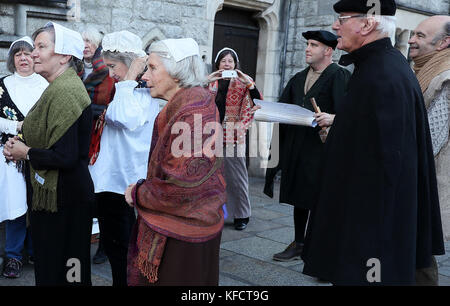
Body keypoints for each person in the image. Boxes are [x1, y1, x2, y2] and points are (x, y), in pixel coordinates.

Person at [301, 0, 445, 285]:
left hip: (369, 230)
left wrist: (368, 248)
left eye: (342, 19)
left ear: (367, 24)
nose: (334, 26)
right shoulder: (376, 67)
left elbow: (387, 168)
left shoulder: (383, 75)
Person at [124, 38, 226, 286]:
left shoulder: (194, 112)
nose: (145, 76)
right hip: (188, 226)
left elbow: (180, 188)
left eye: (153, 68)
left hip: (184, 235)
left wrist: (138, 192)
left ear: (177, 73)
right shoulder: (188, 104)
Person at [3, 22, 94, 286]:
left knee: (69, 270)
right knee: (55, 265)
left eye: (42, 47)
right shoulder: (56, 88)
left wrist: (26, 152)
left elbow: (66, 156)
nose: (33, 54)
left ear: (65, 55)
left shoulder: (65, 92)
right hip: (58, 199)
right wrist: (18, 146)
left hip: (67, 201)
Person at [264, 31, 350, 262]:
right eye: (307, 44)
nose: (307, 48)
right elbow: (284, 106)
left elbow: (350, 112)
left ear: (328, 51)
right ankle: (299, 242)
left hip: (322, 150)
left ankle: (323, 251)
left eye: (314, 45)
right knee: (300, 197)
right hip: (298, 148)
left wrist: (333, 117)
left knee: (322, 201)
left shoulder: (338, 76)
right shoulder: (299, 77)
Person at [88, 30, 160, 286]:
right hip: (111, 180)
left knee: (123, 252)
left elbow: (122, 117)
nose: (110, 73)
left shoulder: (137, 91)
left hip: (122, 183)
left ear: (129, 64)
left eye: (113, 66)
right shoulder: (127, 89)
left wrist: (130, 76)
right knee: (115, 247)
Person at [0, 37, 48, 278]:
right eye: (17, 54)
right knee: (16, 205)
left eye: (28, 53)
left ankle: (35, 251)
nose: (23, 58)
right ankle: (13, 256)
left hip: (39, 155)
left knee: (37, 203)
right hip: (9, 155)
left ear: (35, 57)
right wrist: (16, 124)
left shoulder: (46, 85)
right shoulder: (2, 85)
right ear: (12, 59)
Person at [408, 15, 450, 285]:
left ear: (444, 43)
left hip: (427, 183)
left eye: (421, 36)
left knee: (420, 249)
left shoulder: (444, 78)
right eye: (413, 33)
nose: (411, 39)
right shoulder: (420, 70)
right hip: (418, 181)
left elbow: (430, 142)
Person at [207, 47, 261, 230]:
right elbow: (195, 99)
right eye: (223, 61)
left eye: (230, 61)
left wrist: (250, 85)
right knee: (212, 176)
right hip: (211, 135)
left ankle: (242, 215)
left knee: (237, 176)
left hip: (233, 136)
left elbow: (257, 103)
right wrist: (206, 81)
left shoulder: (242, 82)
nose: (227, 64)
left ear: (236, 64)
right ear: (217, 64)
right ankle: (217, 212)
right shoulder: (211, 83)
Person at [80, 27, 115, 265]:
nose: (85, 45)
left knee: (101, 192)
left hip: (100, 137)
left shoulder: (108, 73)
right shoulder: (74, 68)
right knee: (83, 192)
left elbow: (111, 107)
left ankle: (104, 244)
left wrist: (87, 111)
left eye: (89, 41)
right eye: (82, 40)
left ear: (98, 45)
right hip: (78, 137)